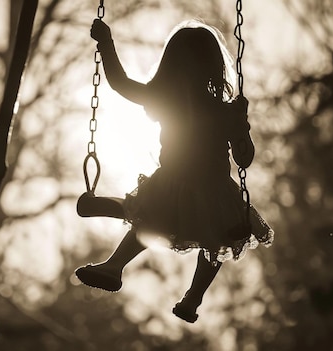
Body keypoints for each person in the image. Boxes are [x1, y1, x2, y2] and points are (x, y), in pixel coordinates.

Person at [75, 18, 274, 323]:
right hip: (202, 188)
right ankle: (183, 295)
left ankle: (121, 260)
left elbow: (121, 83)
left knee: (151, 220)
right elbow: (244, 159)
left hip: (189, 185)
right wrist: (105, 42)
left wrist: (106, 43)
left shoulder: (185, 104)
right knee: (203, 238)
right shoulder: (216, 109)